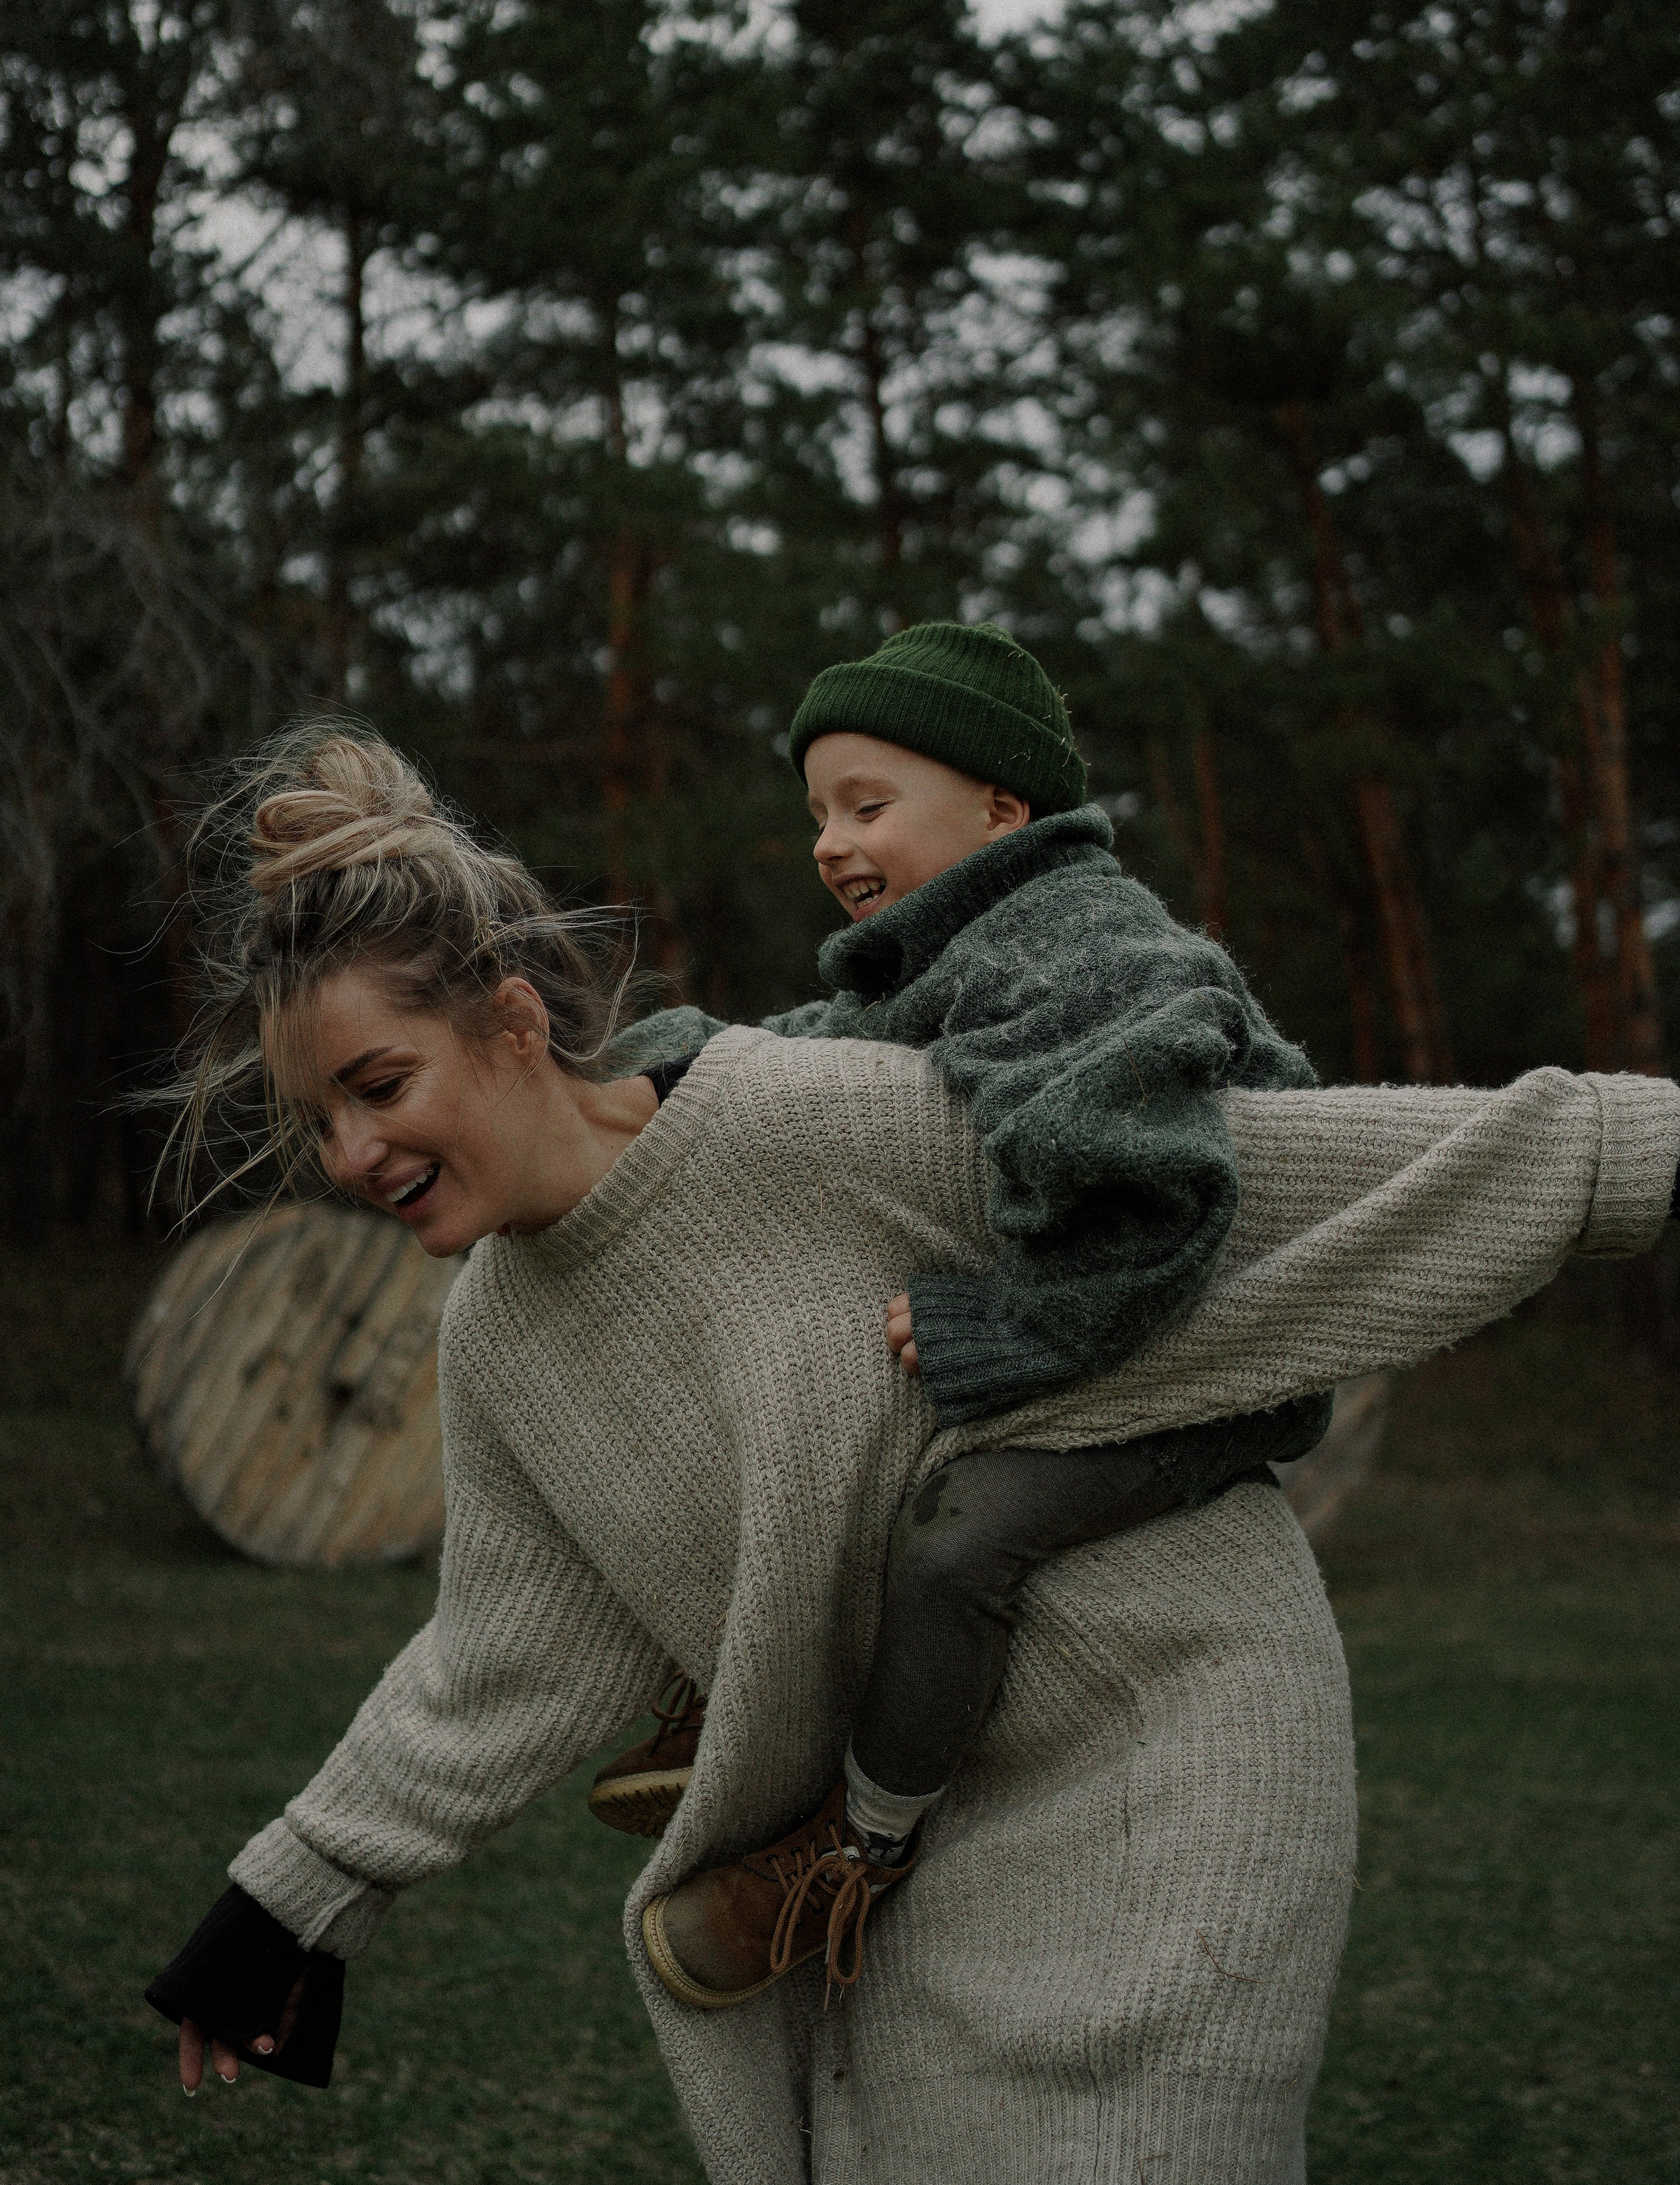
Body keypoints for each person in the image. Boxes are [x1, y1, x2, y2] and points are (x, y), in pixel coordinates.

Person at [143, 725, 1680, 2184]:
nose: (351, 1157)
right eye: (319, 1121)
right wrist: (290, 1901)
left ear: (511, 1024)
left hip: (1173, 1750)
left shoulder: (794, 1122)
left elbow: (1267, 1173)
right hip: (883, 1859)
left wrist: (1633, 1149)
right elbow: (502, 1662)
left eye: (378, 1087)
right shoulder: (495, 1339)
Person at [591, 620, 1337, 2005]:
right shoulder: (956, 947)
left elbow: (1150, 1191)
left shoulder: (1083, 945)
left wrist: (1008, 1335)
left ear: (1001, 810)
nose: (830, 843)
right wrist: (636, 1081)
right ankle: (760, 1691)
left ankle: (851, 1851)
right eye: (817, 815)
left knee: (956, 1541)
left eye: (865, 805)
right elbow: (816, 1054)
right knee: (814, 1403)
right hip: (1116, 1323)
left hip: (1201, 1360)